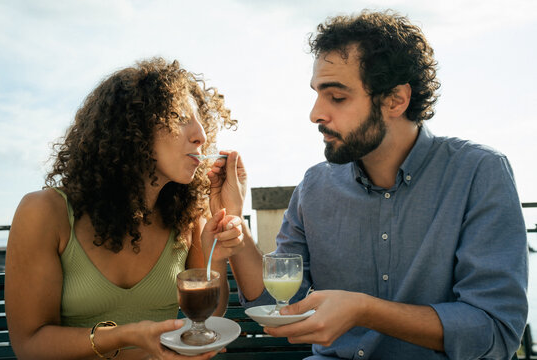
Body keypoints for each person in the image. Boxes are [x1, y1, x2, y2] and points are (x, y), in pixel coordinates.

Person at [216, 10, 529, 360]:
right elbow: (280, 305)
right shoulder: (314, 187)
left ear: (396, 100)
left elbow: (494, 330)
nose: (315, 113)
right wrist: (235, 229)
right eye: (317, 94)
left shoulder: (479, 174)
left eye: (336, 97)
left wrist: (365, 311)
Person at [5, 58, 245, 359]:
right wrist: (124, 336)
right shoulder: (44, 212)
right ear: (133, 128)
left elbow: (205, 318)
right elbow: (29, 345)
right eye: (182, 118)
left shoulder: (187, 216)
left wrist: (216, 256)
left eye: (200, 122)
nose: (202, 136)